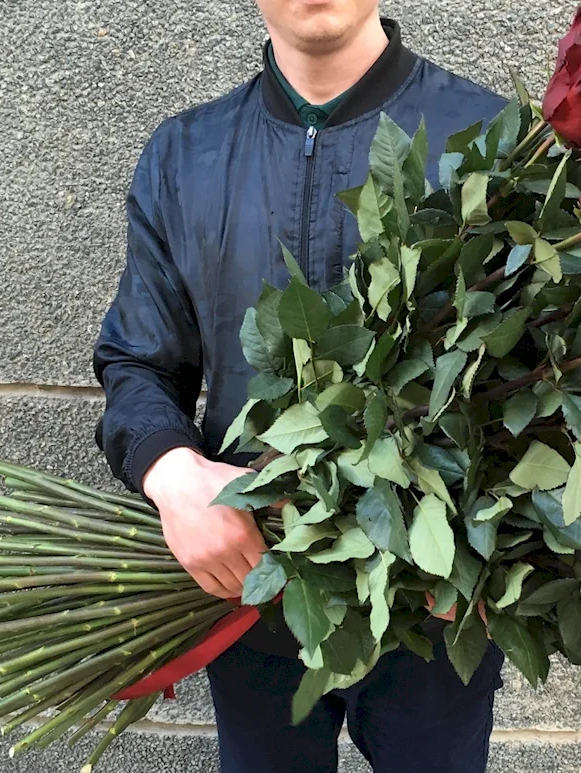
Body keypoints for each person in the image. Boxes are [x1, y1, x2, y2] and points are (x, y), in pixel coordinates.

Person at [92, 1, 508, 771]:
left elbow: (532, 377)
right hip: (249, 600)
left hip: (438, 607)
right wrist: (173, 474)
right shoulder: (186, 156)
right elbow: (139, 362)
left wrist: (502, 548)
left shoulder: (489, 143)